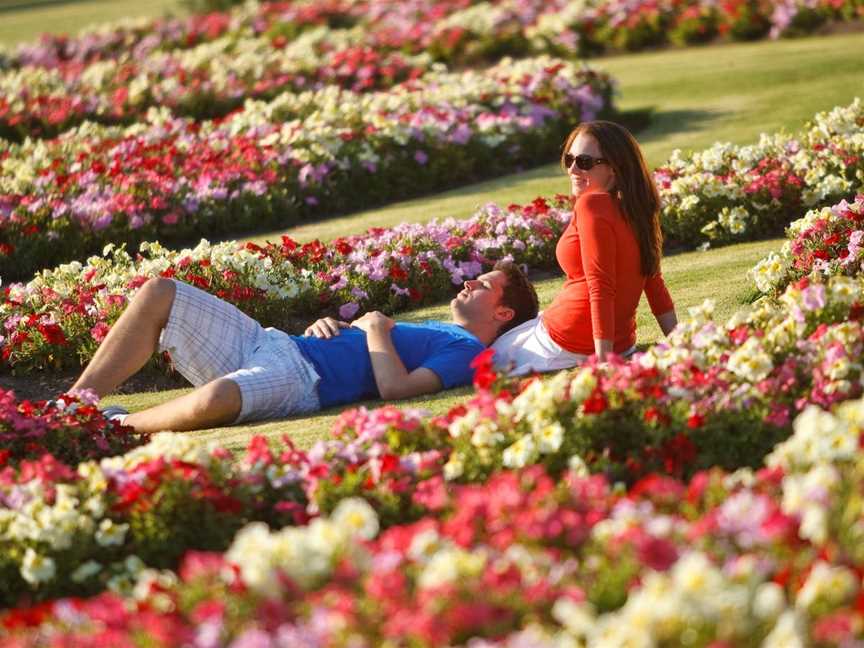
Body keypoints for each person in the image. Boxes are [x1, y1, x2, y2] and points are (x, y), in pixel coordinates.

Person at [71, 260, 538, 433]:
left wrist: (374, 329)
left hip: (302, 379)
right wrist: (331, 325)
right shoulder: (441, 327)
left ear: (503, 314)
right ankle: (71, 406)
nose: (467, 282)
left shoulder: (466, 352)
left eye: (481, 285)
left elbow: (397, 389)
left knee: (218, 399)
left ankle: (113, 426)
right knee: (160, 291)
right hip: (273, 343)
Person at [492, 120, 678, 375]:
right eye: (569, 159)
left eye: (585, 162)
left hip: (567, 342)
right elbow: (653, 281)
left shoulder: (592, 205)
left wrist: (603, 363)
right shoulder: (636, 208)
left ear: (614, 167)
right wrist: (680, 342)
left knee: (481, 352)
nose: (573, 169)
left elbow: (600, 285)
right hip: (617, 343)